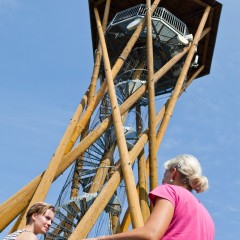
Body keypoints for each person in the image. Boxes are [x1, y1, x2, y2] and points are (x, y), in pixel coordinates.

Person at [85, 154, 215, 240]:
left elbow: (151, 233)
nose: (162, 180)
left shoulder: (170, 191)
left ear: (173, 172)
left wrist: (102, 239)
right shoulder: (206, 217)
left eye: (164, 174)